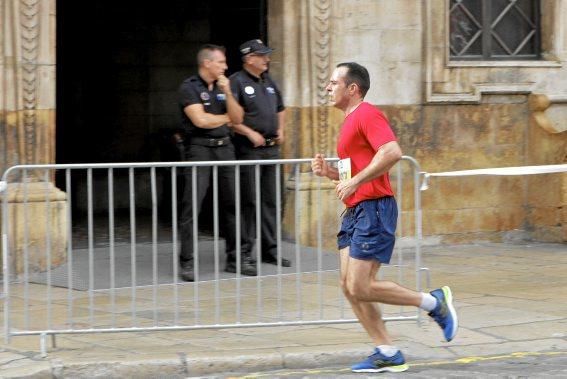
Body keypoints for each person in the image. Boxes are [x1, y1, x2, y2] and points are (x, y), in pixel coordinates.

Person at [311, 62, 458, 373]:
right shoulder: (349, 121)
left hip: (374, 208)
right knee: (349, 286)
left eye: (334, 82)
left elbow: (391, 152)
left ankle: (433, 303)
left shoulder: (367, 113)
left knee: (361, 285)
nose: (328, 87)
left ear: (352, 88)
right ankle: (387, 351)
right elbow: (353, 172)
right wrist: (330, 172)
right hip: (355, 210)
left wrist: (356, 182)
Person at [178, 44, 257, 281]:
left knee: (234, 203)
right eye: (221, 62)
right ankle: (187, 261)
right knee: (192, 204)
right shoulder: (189, 87)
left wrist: (229, 94)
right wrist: (226, 118)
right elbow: (200, 120)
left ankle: (237, 258)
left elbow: (239, 118)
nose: (225, 66)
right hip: (199, 148)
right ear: (207, 63)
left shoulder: (225, 86)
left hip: (225, 147)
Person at [229, 39, 291, 268]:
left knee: (272, 200)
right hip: (249, 150)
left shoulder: (268, 80)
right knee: (249, 202)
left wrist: (281, 129)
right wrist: (248, 132)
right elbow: (231, 119)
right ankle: (244, 253)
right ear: (249, 58)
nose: (267, 59)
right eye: (262, 55)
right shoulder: (237, 82)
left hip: (271, 149)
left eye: (267, 55)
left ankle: (270, 250)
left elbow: (280, 108)